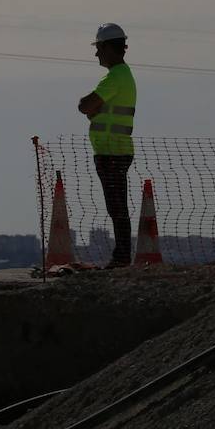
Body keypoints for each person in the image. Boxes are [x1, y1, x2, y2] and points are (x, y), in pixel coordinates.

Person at [77, 23, 137, 268]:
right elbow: (93, 110)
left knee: (116, 206)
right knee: (116, 205)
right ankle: (121, 256)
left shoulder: (115, 78)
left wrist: (89, 108)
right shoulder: (121, 76)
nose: (96, 54)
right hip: (115, 150)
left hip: (112, 151)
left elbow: (85, 106)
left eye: (99, 48)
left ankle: (121, 257)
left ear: (108, 48)